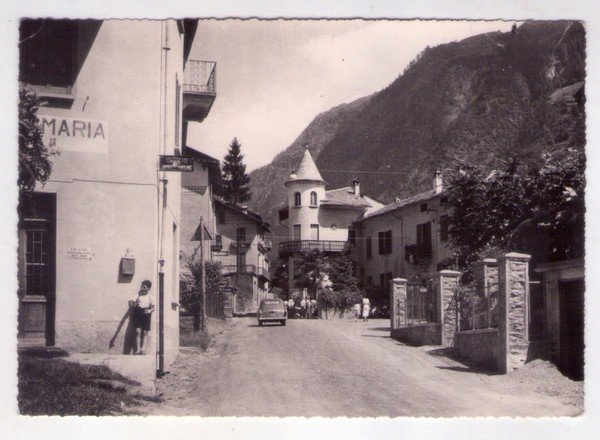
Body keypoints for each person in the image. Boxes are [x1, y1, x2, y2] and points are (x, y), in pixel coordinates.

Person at [129, 280, 154, 355]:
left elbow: (153, 307)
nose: (142, 288)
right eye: (142, 286)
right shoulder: (138, 295)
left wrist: (149, 311)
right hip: (138, 312)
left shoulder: (150, 297)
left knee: (145, 332)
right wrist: (132, 303)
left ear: (148, 288)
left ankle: (143, 349)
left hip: (146, 313)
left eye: (144, 287)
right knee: (137, 331)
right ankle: (137, 349)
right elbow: (132, 301)